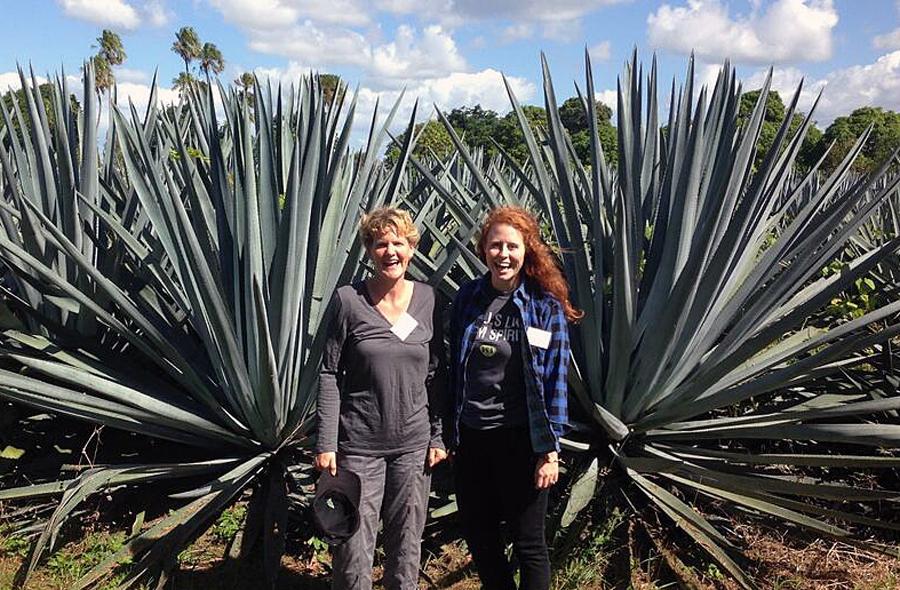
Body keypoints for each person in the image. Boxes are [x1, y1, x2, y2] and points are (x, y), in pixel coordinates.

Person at [448, 206, 581, 590]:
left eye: (512, 246)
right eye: (495, 246)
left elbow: (556, 381)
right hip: (472, 436)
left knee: (529, 545)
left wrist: (550, 450)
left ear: (526, 251)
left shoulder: (544, 305)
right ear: (483, 250)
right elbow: (454, 369)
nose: (503, 255)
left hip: (522, 440)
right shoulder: (468, 298)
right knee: (481, 538)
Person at [315, 207, 448, 590]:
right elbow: (329, 372)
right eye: (380, 244)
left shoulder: (429, 300)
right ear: (369, 251)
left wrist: (438, 435)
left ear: (412, 247)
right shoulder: (348, 300)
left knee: (406, 545)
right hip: (358, 447)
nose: (391, 251)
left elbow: (437, 373)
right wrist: (326, 443)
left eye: (399, 243)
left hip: (412, 446)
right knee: (353, 549)